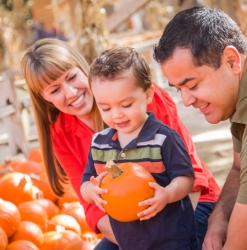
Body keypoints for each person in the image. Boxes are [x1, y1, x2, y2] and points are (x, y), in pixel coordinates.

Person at [21, 38, 220, 249]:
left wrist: (164, 235)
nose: (71, 93)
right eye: (54, 90)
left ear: (83, 69)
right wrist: (136, 242)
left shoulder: (140, 99)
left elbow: (191, 175)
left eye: (72, 77)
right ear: (45, 99)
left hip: (187, 206)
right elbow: (92, 207)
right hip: (130, 229)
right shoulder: (61, 134)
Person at [153, 6, 247, 250]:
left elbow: (243, 246)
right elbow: (238, 168)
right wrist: (218, 218)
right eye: (177, 89)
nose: (187, 101)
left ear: (232, 60)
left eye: (192, 85)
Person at [80, 47, 198, 249]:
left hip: (171, 239)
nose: (116, 115)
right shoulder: (99, 144)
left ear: (148, 94)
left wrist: (168, 194)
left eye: (126, 105)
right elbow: (85, 183)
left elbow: (185, 178)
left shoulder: (163, 138)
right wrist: (92, 191)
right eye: (105, 108)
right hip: (129, 241)